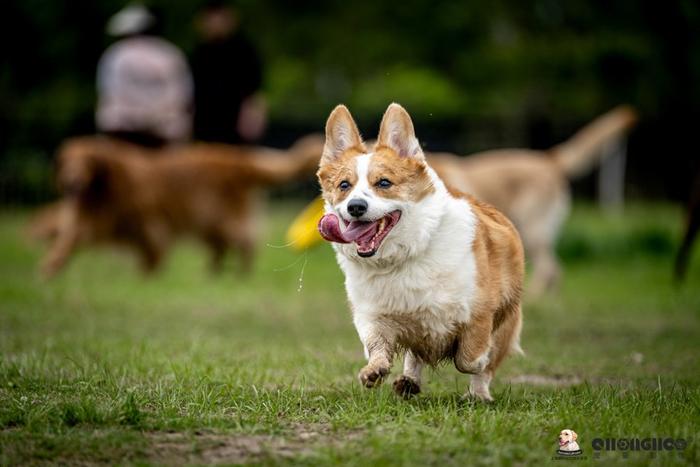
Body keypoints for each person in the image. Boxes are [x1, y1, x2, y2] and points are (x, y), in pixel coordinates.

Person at [96, 4, 193, 147]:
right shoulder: (171, 54)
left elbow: (110, 93)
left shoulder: (117, 54)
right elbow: (182, 96)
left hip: (124, 131)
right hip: (164, 131)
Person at [191, 1, 266, 144]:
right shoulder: (200, 52)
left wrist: (252, 116)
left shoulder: (244, 50)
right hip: (205, 125)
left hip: (235, 126)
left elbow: (254, 91)